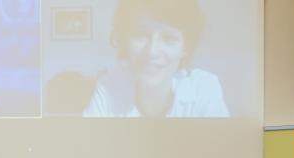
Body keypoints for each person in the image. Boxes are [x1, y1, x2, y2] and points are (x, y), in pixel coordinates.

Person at [83, 0, 229, 118]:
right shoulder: (107, 89)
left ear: (185, 47)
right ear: (124, 39)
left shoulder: (203, 88)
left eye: (169, 38)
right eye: (141, 34)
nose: (152, 52)